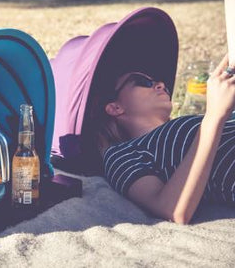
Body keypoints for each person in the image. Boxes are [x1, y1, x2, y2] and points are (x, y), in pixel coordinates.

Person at [92, 55, 235, 224]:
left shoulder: (190, 121)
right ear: (115, 107)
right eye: (142, 82)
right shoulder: (122, 153)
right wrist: (214, 115)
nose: (161, 85)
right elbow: (173, 210)